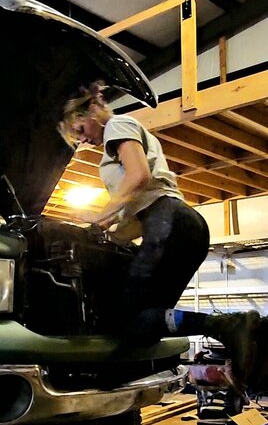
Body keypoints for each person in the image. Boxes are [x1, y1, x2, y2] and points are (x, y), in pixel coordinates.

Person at [58, 80, 261, 394]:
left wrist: (98, 214)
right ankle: (234, 333)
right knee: (146, 322)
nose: (82, 140)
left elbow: (139, 175)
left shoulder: (117, 125)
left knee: (123, 319)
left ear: (93, 110)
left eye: (79, 129)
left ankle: (225, 325)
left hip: (168, 222)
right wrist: (107, 227)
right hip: (179, 227)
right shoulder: (116, 138)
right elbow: (136, 207)